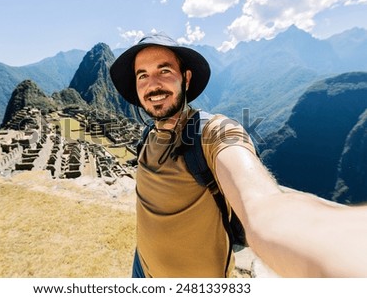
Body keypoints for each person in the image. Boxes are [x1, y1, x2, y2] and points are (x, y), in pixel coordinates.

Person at [109, 32, 367, 278]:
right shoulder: (148, 136)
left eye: (164, 71)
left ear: (186, 78)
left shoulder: (212, 132)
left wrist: (342, 246)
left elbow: (262, 206)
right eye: (142, 75)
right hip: (142, 267)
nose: (152, 85)